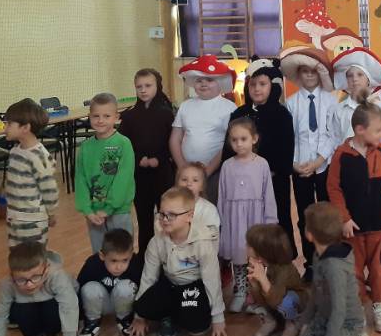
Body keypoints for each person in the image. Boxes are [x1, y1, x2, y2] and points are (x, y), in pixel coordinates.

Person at [326, 102, 381, 334]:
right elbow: (334, 189)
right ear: (360, 129)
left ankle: (380, 306)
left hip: (380, 226)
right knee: (354, 271)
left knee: (380, 269)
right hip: (352, 229)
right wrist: (344, 218)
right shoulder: (341, 155)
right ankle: (356, 309)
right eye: (378, 130)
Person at [131, 186, 228, 336]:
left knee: (196, 326)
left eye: (172, 215)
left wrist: (218, 317)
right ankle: (168, 316)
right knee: (142, 306)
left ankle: (179, 313)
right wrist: (140, 316)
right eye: (162, 214)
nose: (165, 219)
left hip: (193, 286)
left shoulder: (203, 243)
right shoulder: (156, 242)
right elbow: (148, 277)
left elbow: (212, 279)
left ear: (189, 216)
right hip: (170, 284)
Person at [223, 58, 296, 257]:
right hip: (243, 180)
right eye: (253, 84)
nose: (257, 89)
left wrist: (275, 171)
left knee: (277, 217)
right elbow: (229, 148)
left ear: (272, 86)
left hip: (274, 180)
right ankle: (246, 258)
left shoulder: (282, 114)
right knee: (246, 218)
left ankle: (282, 259)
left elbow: (286, 148)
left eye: (262, 84)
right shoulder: (239, 114)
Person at [283, 48, 338, 278]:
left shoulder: (331, 101)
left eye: (313, 72)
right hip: (300, 167)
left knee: (325, 214)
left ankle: (329, 260)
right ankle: (311, 263)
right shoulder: (291, 103)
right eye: (304, 71)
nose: (308, 75)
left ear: (320, 74)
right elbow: (289, 137)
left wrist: (318, 161)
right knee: (305, 215)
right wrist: (295, 164)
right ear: (298, 75)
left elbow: (333, 134)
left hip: (324, 165)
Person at [296, 203, 367, 336]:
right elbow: (316, 291)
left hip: (349, 323)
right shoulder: (318, 255)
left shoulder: (334, 268)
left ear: (309, 235)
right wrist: (305, 322)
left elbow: (339, 309)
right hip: (325, 317)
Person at [217, 117, 277, 313]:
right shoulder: (227, 166)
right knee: (238, 256)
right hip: (234, 221)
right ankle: (240, 291)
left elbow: (268, 195)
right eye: (234, 140)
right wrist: (221, 221)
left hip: (255, 220)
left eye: (243, 139)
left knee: (255, 257)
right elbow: (222, 196)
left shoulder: (262, 164)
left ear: (254, 139)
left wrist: (270, 221)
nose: (239, 144)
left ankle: (256, 294)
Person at [118, 68, 175, 252]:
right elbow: (124, 145)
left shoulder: (167, 114)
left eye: (148, 86)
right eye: (139, 86)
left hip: (163, 174)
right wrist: (138, 159)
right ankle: (145, 258)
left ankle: (170, 256)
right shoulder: (129, 116)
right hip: (140, 176)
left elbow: (173, 142)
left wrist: (160, 159)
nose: (143, 90)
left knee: (168, 217)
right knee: (144, 220)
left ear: (157, 86)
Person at [74, 92, 135, 253]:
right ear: (89, 117)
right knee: (99, 253)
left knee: (122, 253)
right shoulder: (85, 147)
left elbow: (123, 179)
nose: (100, 120)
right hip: (94, 213)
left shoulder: (123, 143)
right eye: (96, 116)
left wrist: (108, 208)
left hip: (118, 211)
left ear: (116, 117)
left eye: (106, 116)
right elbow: (80, 180)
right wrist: (87, 210)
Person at [170, 55, 238, 199]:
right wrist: (182, 167)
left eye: (209, 79)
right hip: (186, 172)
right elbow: (175, 138)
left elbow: (229, 143)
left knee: (212, 205)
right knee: (186, 205)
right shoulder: (186, 106)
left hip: (216, 171)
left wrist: (208, 170)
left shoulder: (230, 108)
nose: (203, 84)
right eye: (199, 80)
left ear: (220, 82)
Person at [2, 98, 58, 247]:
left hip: (33, 221)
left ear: (25, 127)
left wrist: (51, 213)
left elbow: (49, 189)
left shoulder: (39, 156)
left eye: (9, 124)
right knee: (17, 255)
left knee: (34, 257)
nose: (4, 127)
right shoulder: (15, 151)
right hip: (15, 218)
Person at [76, 228, 143, 336]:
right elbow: (79, 289)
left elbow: (142, 290)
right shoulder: (92, 264)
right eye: (114, 261)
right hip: (101, 304)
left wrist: (140, 317)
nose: (119, 267)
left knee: (127, 287)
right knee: (89, 288)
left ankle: (125, 319)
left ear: (131, 255)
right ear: (102, 255)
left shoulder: (135, 264)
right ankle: (92, 322)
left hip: (125, 304)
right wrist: (79, 319)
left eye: (125, 260)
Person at [245, 223, 306, 336]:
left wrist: (263, 279)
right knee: (252, 295)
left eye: (249, 245)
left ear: (263, 251)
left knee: (288, 299)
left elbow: (277, 299)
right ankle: (270, 321)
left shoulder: (285, 269)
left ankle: (292, 323)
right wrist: (255, 285)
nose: (245, 247)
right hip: (274, 301)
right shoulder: (260, 264)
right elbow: (260, 296)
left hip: (292, 302)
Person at [330, 48, 381, 141]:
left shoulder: (380, 107)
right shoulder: (339, 110)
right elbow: (334, 140)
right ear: (346, 81)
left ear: (368, 80)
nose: (355, 79)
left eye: (360, 74)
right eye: (350, 75)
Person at [169, 161, 221, 241]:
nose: (189, 183)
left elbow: (213, 234)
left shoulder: (209, 209)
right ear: (177, 184)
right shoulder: (170, 206)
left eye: (195, 180)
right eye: (184, 179)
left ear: (202, 186)